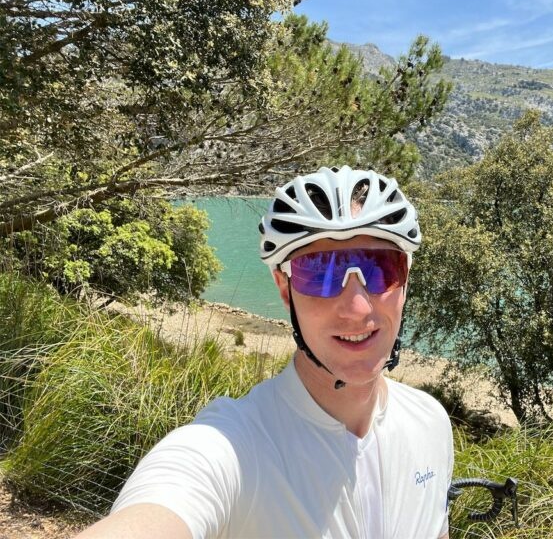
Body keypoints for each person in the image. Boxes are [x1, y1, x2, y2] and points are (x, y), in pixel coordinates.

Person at [76, 165, 455, 539]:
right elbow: (167, 502)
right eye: (319, 273)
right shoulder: (235, 448)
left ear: (405, 277)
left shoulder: (431, 423)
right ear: (284, 287)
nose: (357, 308)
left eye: (380, 269)